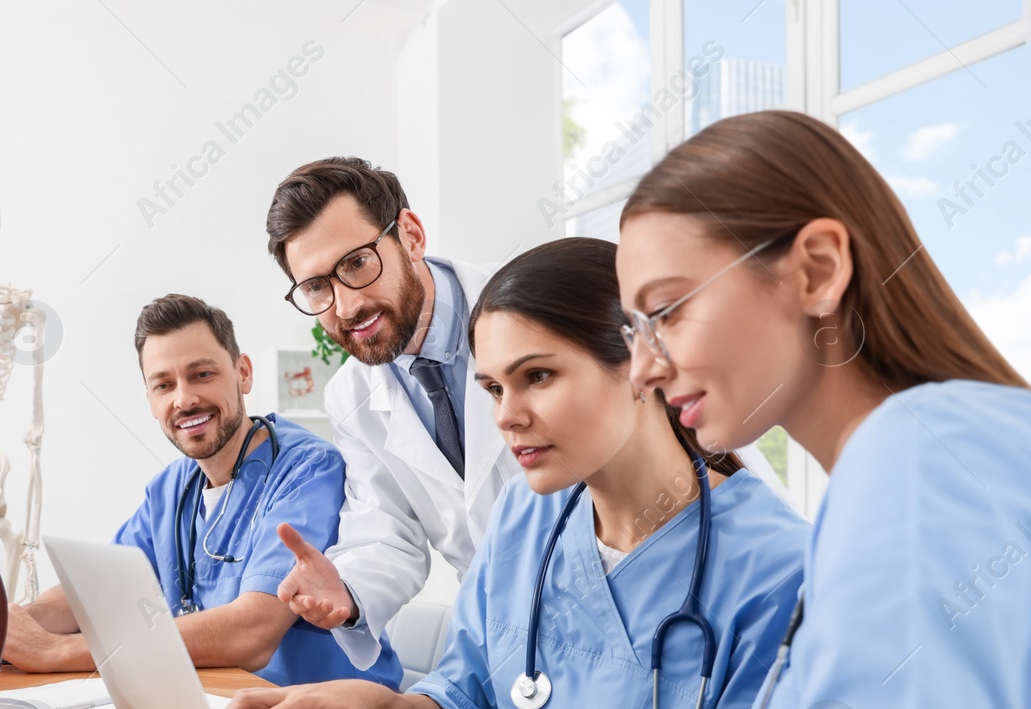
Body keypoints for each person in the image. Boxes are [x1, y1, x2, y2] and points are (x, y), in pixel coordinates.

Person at [241, 110, 1031, 709]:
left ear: (818, 271)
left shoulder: (923, 469)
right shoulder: (934, 463)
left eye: (668, 311)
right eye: (636, 324)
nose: (648, 361)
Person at [221, 237, 806, 709]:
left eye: (539, 376)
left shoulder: (783, 572)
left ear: (643, 364)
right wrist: (382, 706)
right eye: (495, 389)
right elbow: (465, 699)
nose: (506, 416)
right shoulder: (524, 515)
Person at [263, 157, 785, 673]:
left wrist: (766, 552)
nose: (345, 303)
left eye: (356, 263)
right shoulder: (351, 394)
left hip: (649, 592)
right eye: (315, 287)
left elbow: (692, 436)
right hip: (514, 637)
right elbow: (386, 531)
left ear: (412, 236)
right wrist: (347, 590)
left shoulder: (535, 307)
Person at [3, 293, 401, 688]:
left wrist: (53, 653)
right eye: (163, 385)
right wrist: (3, 631)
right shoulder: (170, 492)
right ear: (150, 400)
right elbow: (96, 595)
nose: (184, 399)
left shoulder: (308, 470)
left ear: (243, 373)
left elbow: (252, 633)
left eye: (202, 374)